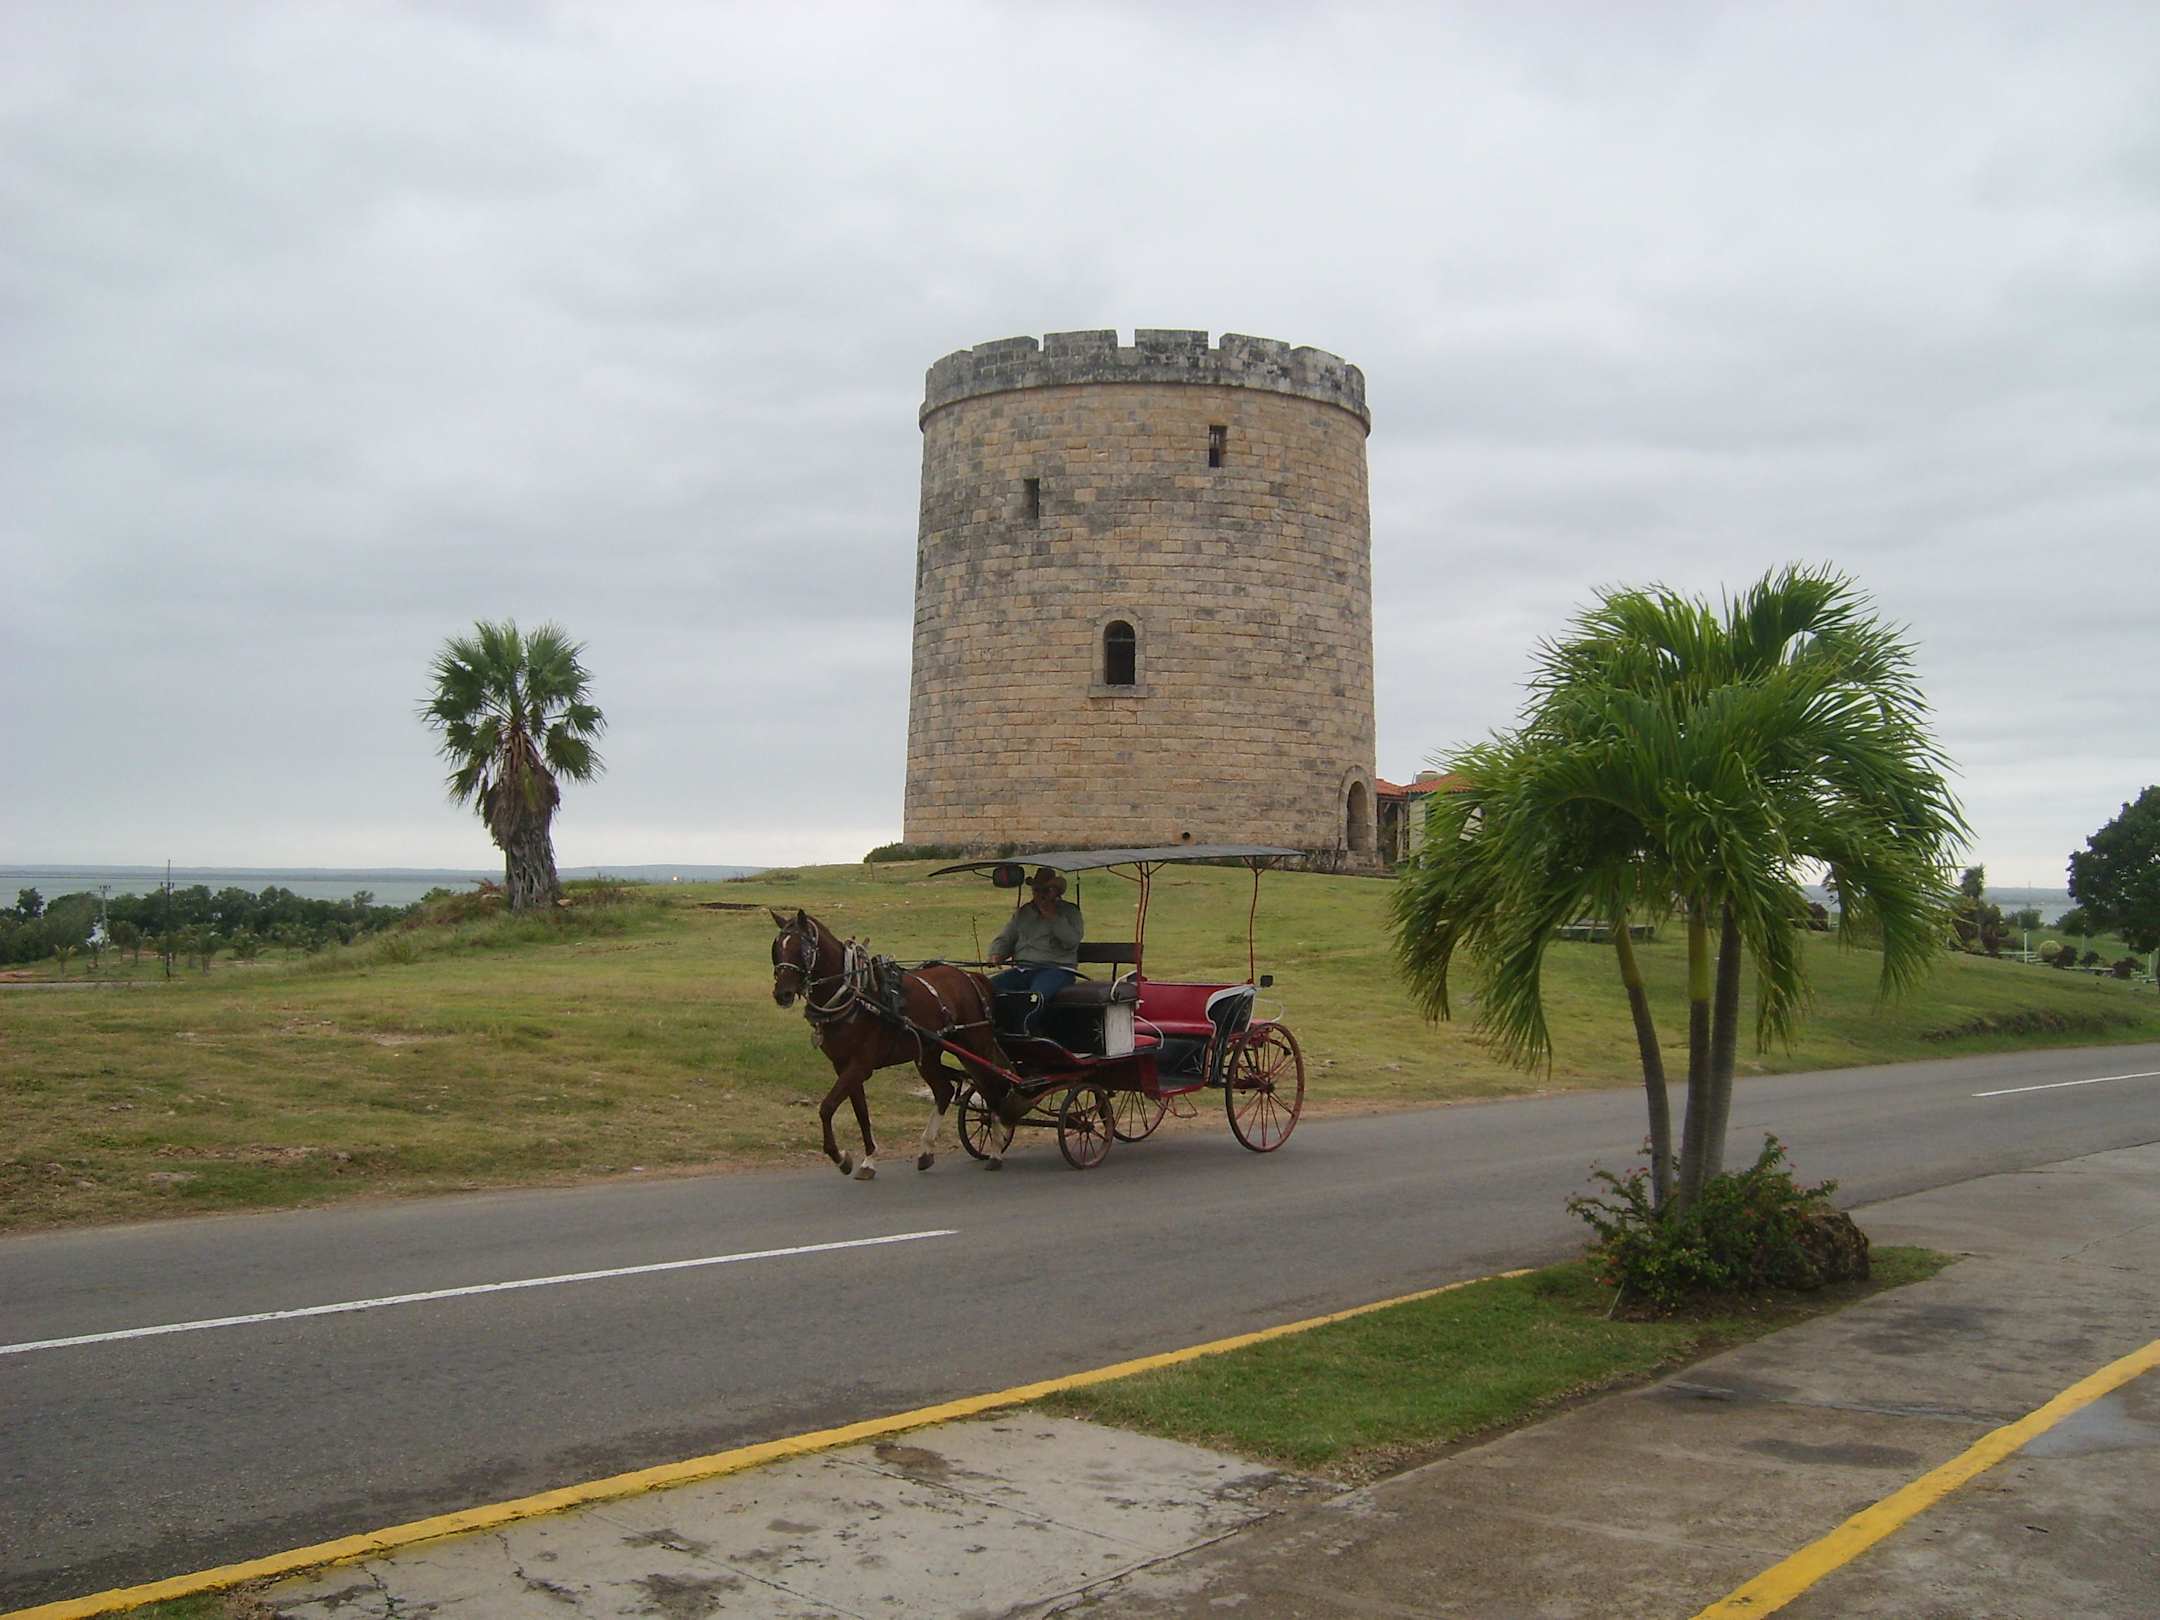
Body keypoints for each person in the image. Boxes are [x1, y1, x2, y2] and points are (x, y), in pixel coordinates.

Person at [988, 867, 1083, 1035]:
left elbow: (1071, 941)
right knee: (987, 989)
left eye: (1045, 890)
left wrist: (1053, 917)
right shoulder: (1024, 912)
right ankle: (998, 1030)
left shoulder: (1069, 911)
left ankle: (1026, 1032)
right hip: (1022, 969)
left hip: (1056, 969)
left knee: (1034, 997)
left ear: (1056, 892)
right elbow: (1006, 937)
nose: (1040, 895)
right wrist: (997, 954)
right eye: (1037, 890)